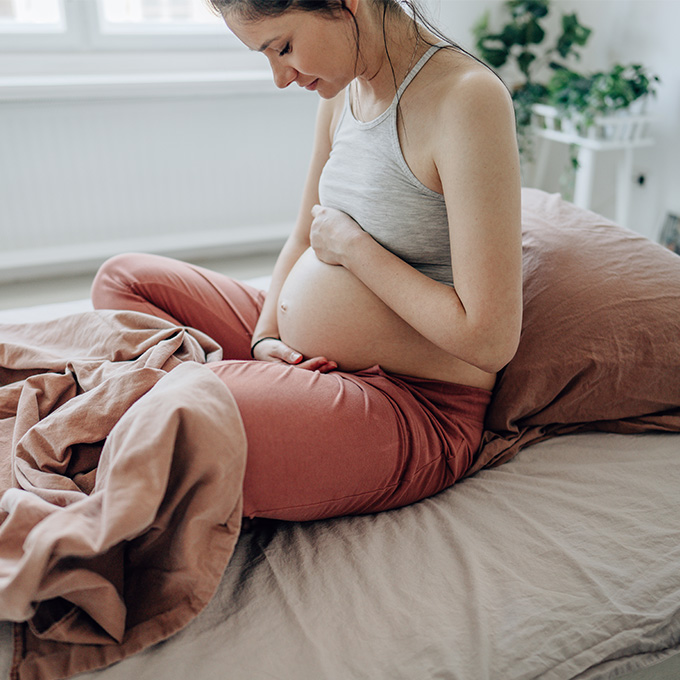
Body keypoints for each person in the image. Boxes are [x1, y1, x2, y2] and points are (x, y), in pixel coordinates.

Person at [91, 0, 522, 522]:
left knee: (183, 412)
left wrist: (354, 250)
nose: (279, 77)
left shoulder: (467, 99)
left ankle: (222, 401)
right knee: (124, 282)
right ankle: (251, 393)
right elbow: (302, 236)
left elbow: (490, 340)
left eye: (284, 47)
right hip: (302, 355)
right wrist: (265, 337)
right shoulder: (343, 93)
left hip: (410, 401)